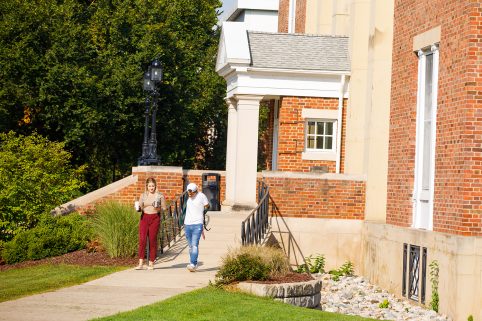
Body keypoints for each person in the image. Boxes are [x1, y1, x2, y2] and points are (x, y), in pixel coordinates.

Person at [135, 177, 166, 270]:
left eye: (153, 186)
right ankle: (140, 263)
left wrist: (158, 207)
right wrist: (137, 208)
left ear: (155, 186)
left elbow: (164, 208)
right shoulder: (143, 195)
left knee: (152, 240)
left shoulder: (160, 196)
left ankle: (151, 262)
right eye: (149, 186)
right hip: (144, 218)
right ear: (147, 186)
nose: (151, 188)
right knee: (142, 240)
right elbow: (140, 207)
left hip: (155, 218)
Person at [184, 182, 209, 272]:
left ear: (196, 191)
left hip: (197, 223)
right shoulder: (187, 197)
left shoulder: (201, 196)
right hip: (187, 224)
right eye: (188, 193)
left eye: (192, 193)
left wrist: (203, 213)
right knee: (190, 246)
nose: (190, 195)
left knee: (194, 245)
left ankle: (193, 264)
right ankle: (193, 263)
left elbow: (207, 205)